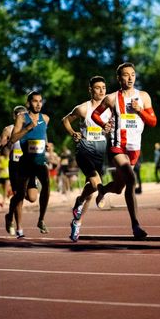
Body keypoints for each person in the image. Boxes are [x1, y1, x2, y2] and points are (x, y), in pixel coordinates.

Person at [92, 62, 157, 240]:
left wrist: (140, 111)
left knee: (120, 188)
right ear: (119, 78)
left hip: (134, 148)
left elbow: (153, 122)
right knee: (131, 178)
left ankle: (103, 189)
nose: (130, 78)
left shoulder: (143, 96)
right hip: (117, 146)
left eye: (133, 74)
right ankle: (135, 225)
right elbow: (95, 114)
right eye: (126, 75)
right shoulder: (111, 98)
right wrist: (104, 124)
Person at [62, 75, 111, 242]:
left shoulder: (110, 108)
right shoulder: (83, 109)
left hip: (100, 151)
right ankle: (97, 195)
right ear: (90, 90)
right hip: (84, 149)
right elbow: (65, 120)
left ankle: (77, 221)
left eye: (103, 88)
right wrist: (73, 133)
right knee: (97, 184)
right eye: (97, 88)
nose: (101, 91)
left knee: (90, 192)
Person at [9, 91, 50, 238]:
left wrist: (47, 145)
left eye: (40, 101)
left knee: (46, 184)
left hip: (39, 161)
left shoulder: (45, 118)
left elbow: (44, 136)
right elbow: (12, 139)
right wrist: (27, 128)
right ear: (28, 103)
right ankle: (9, 215)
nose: (38, 104)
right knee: (20, 194)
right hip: (25, 161)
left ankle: (41, 219)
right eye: (35, 101)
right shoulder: (22, 118)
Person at [0, 105, 39, 236]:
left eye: (24, 115)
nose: (22, 117)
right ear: (14, 116)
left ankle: (9, 215)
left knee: (32, 197)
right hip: (15, 165)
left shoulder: (32, 128)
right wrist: (3, 145)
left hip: (30, 164)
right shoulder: (8, 129)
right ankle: (19, 229)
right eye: (19, 115)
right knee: (19, 197)